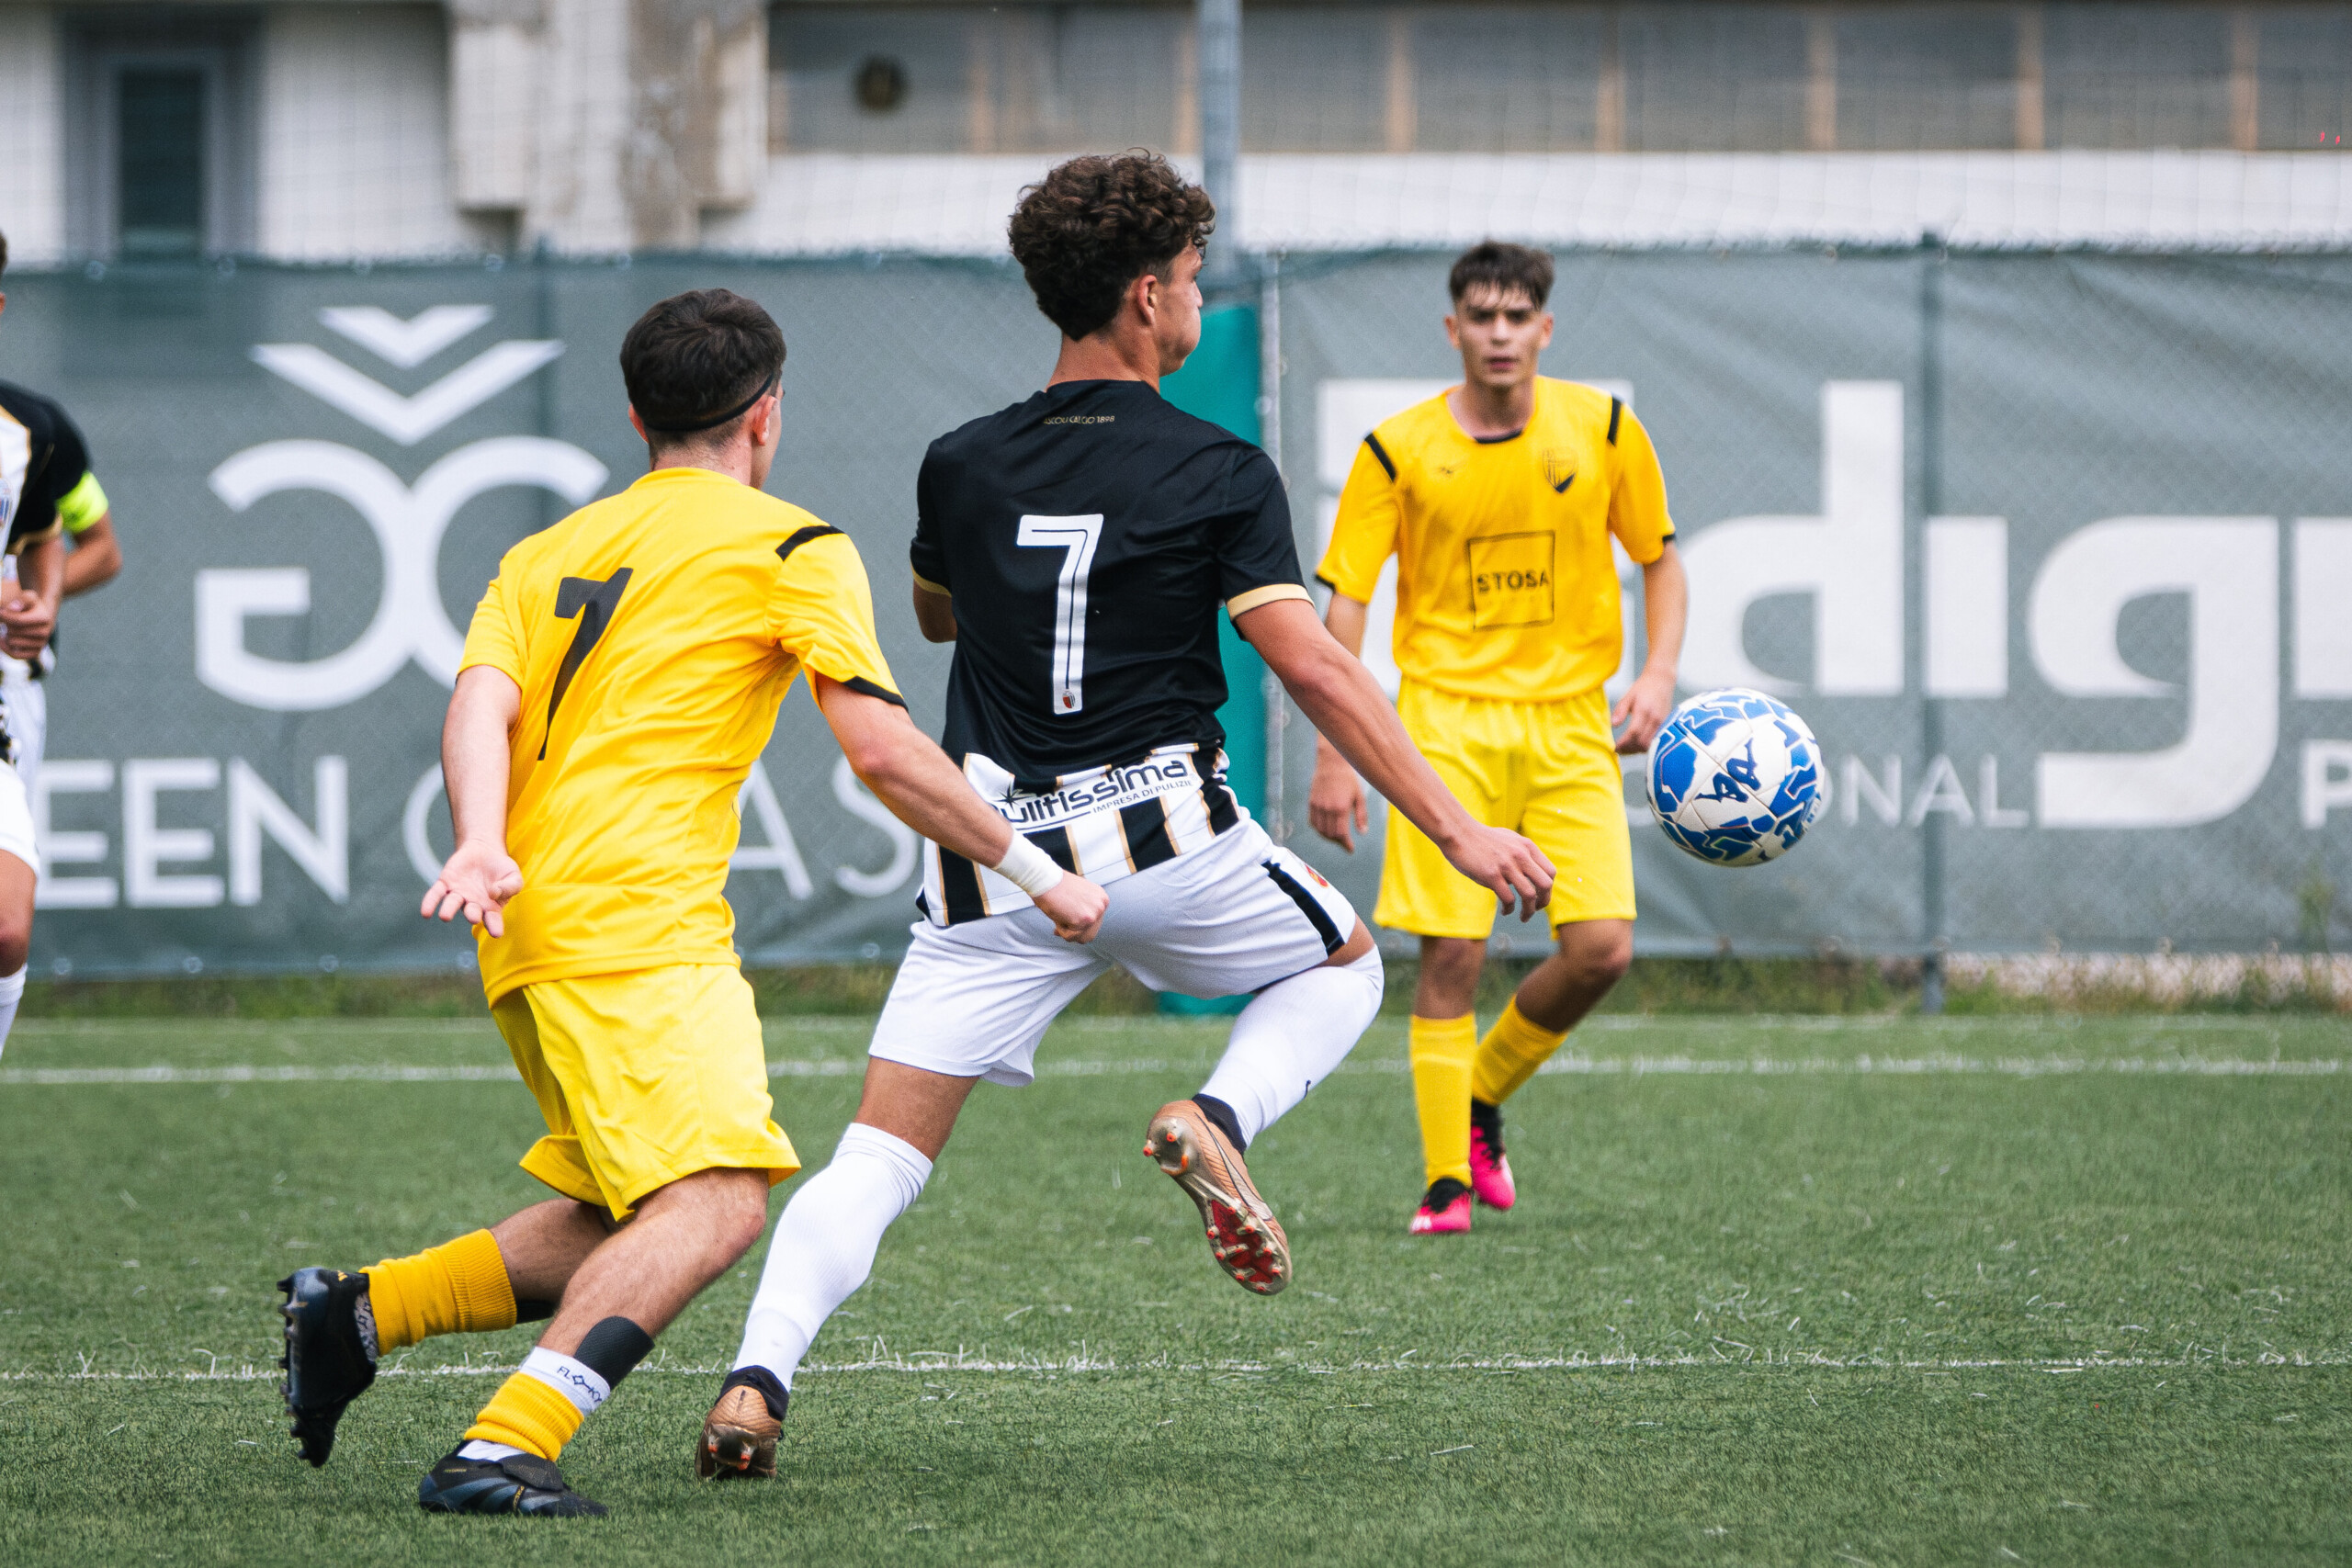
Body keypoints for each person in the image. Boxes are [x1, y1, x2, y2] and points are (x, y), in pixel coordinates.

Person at [697, 153, 1555, 1482]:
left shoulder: (961, 460)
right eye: (1195, 280)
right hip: (1164, 834)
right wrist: (1456, 831)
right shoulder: (1218, 466)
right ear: (1148, 296)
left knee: (877, 1151)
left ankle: (758, 1374)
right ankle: (1220, 1110)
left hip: (992, 854)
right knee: (1340, 965)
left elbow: (943, 612)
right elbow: (1314, 663)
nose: (1199, 302)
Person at [275, 288, 1109, 1517]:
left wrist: (481, 841)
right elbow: (880, 750)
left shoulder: (546, 547)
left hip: (531, 921)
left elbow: (478, 704)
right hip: (633, 921)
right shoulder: (792, 544)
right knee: (718, 1196)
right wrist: (1040, 869)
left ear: (635, 413)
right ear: (767, 412)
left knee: (624, 1203)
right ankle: (505, 1443)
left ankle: (360, 1310)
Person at [1308, 241, 1688, 1236]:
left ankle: (1478, 1089)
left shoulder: (1603, 429)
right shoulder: (1396, 450)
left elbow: (1661, 560)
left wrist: (1654, 674)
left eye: (1517, 316)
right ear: (1453, 330)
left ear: (1544, 329)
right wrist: (1335, 753)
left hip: (1572, 722)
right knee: (1451, 961)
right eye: (1481, 316)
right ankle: (1444, 1182)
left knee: (1602, 949)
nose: (1500, 333)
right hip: (1443, 726)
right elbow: (1340, 607)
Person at [0, 231, 96, 1057]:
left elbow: (70, 538)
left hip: (6, 693)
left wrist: (38, 602)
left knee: (3, 924)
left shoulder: (30, 432)